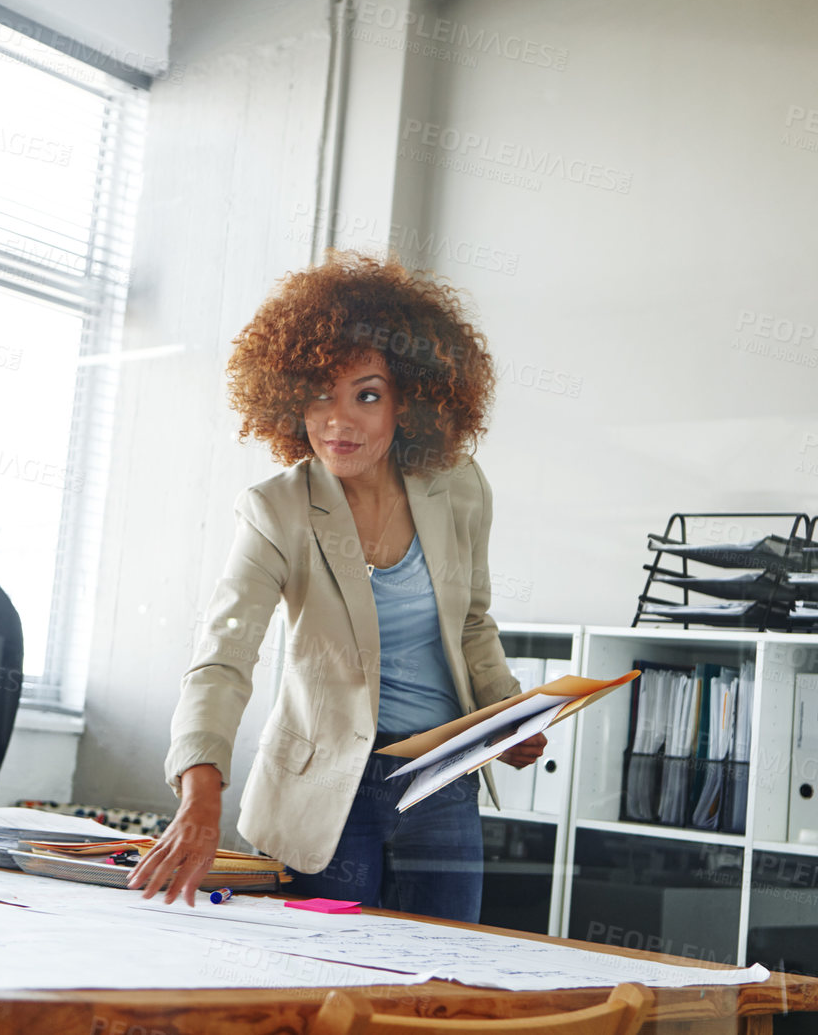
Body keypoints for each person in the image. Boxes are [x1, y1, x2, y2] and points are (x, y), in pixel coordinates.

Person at [129, 251, 545, 922]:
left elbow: (471, 623)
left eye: (367, 395)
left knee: (438, 991)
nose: (339, 420)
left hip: (442, 781)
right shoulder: (276, 510)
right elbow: (223, 658)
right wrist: (201, 794)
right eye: (320, 393)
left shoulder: (458, 487)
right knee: (321, 993)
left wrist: (506, 716)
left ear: (410, 397)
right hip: (326, 792)